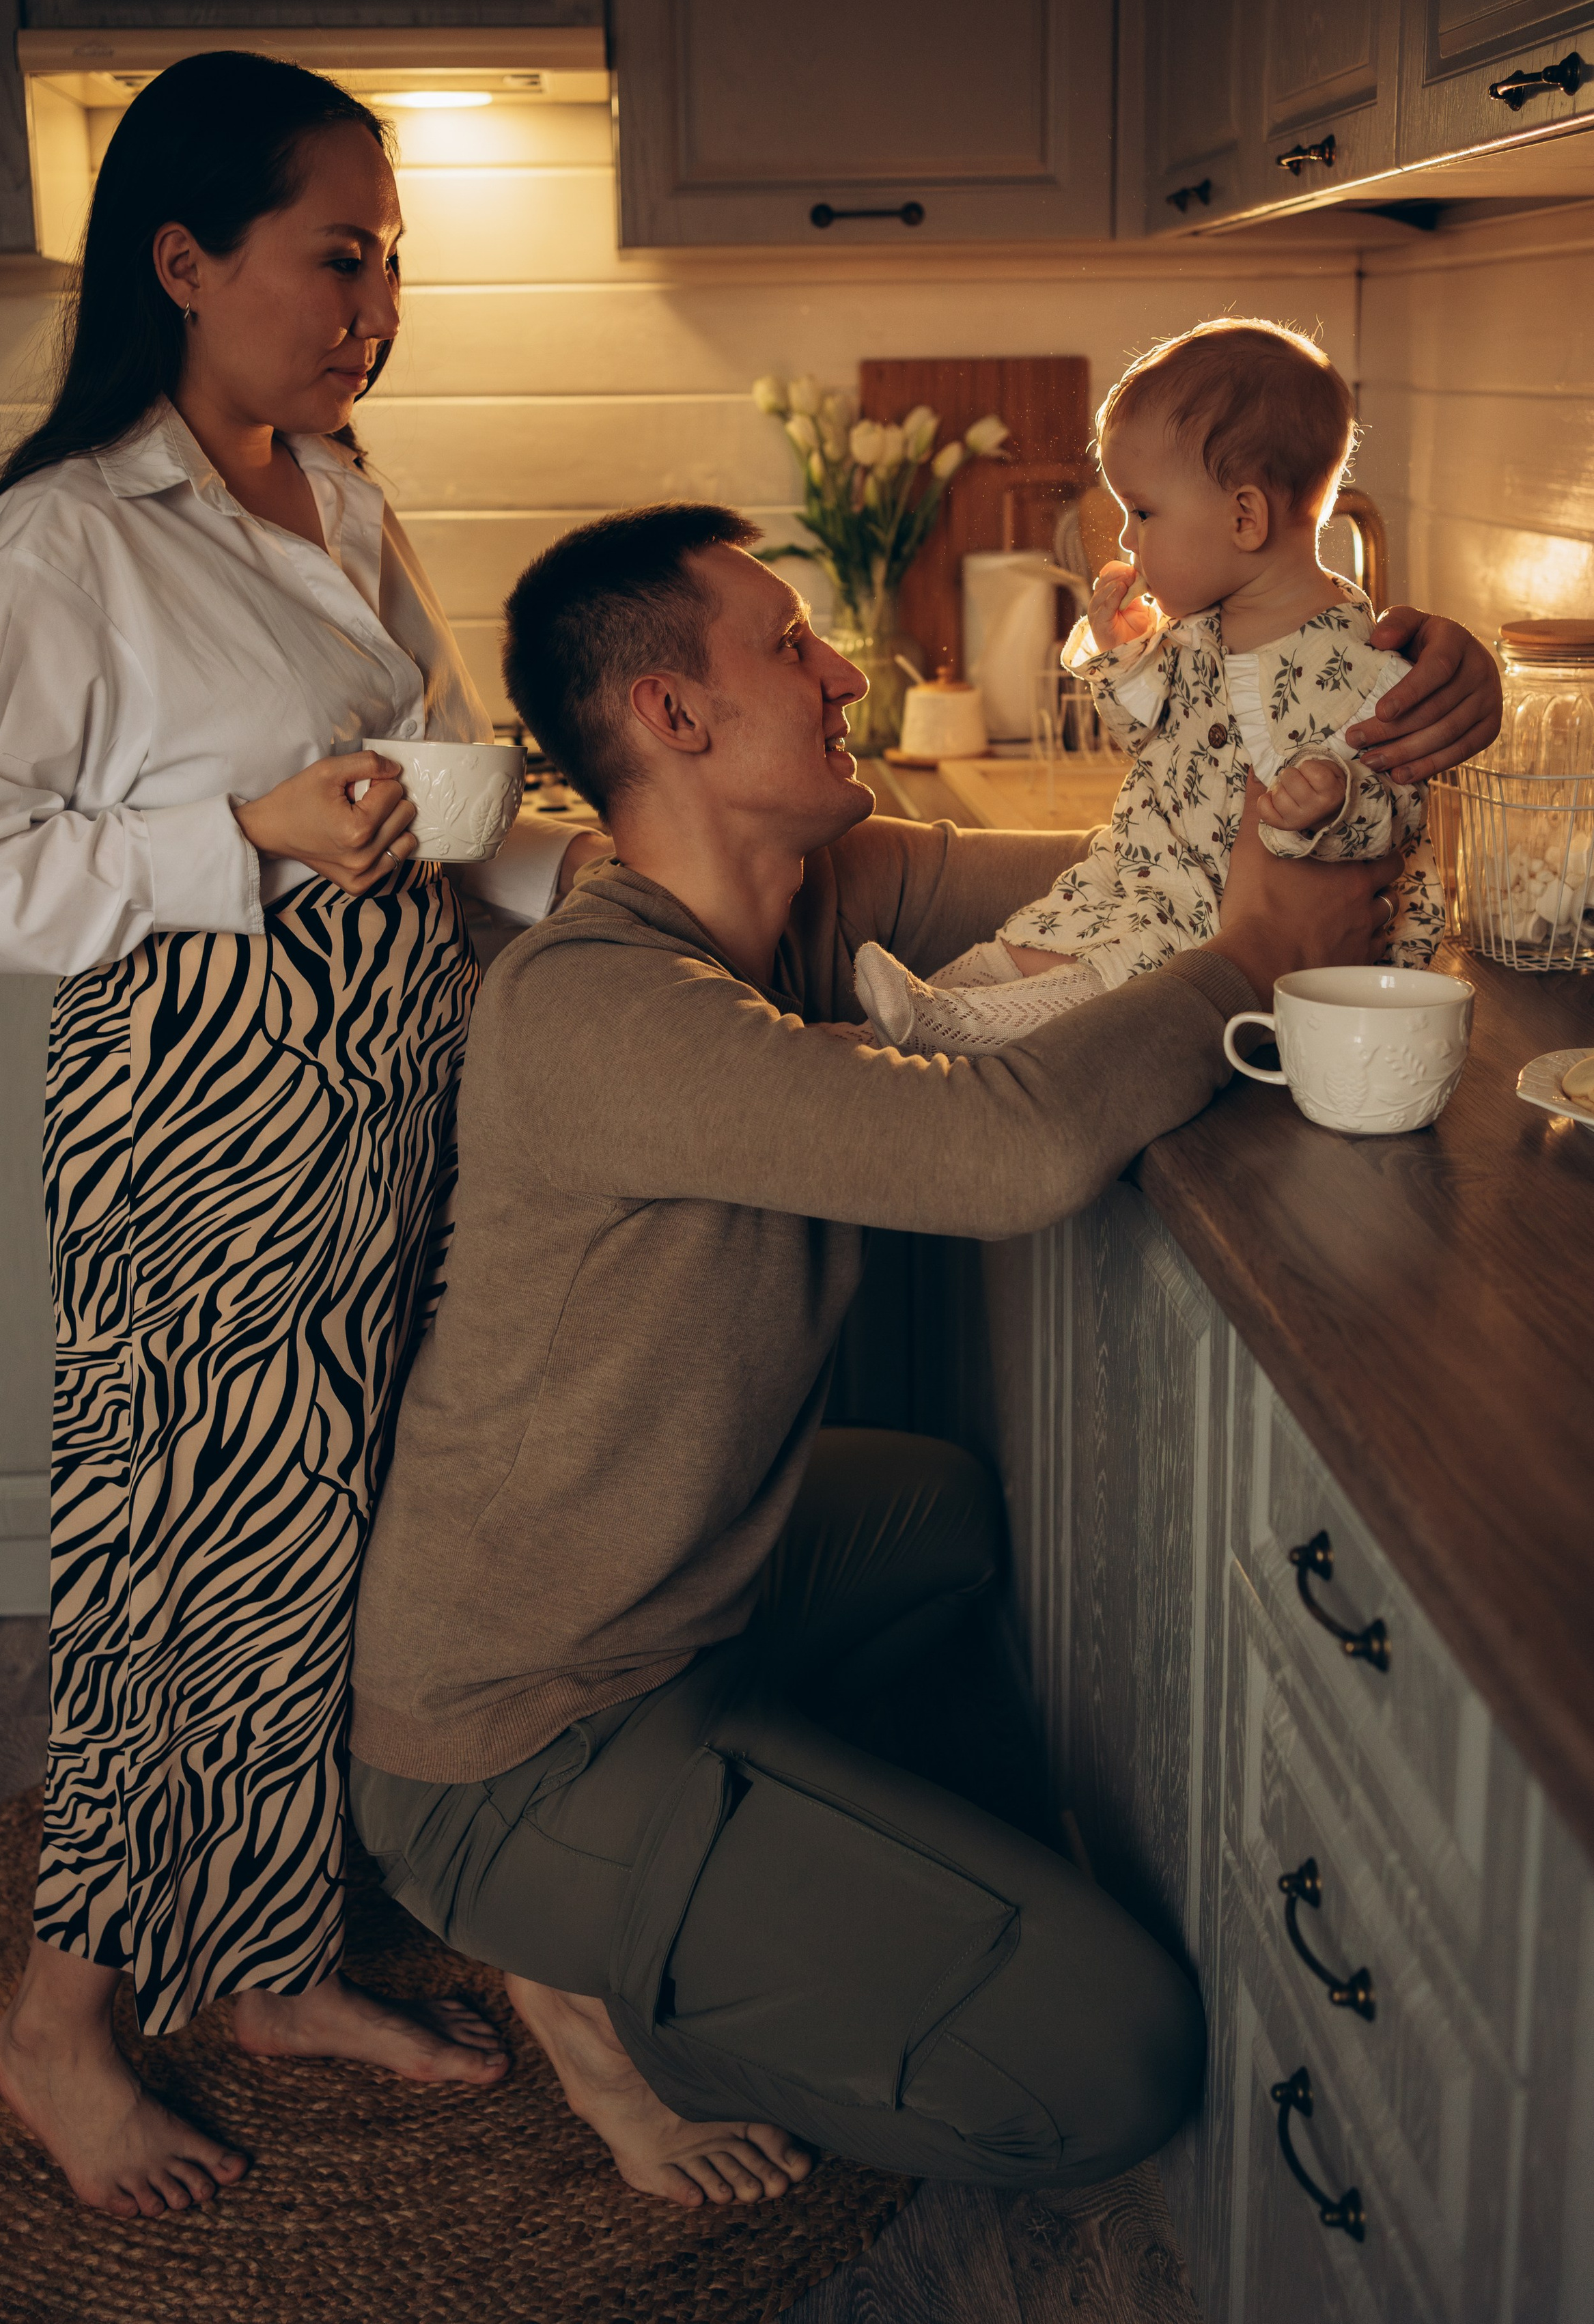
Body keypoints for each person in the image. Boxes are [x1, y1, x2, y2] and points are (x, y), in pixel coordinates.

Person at [347, 502, 1500, 2209]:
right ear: (672, 715)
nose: (841, 672)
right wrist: (1253, 960)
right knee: (1111, 2062)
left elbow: (1148, 877)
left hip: (670, 1612)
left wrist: (1379, 696)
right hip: (513, 1743)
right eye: (788, 645)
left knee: (938, 1514)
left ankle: (728, 1856)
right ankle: (603, 1998)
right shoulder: (591, 1003)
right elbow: (997, 1152)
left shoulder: (810, 903)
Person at [0, 52, 605, 2220]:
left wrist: (630, 882)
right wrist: (245, 832)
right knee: (171, 1574)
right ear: (186, 262)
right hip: (199, 1115)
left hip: (376, 1097)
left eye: (392, 261)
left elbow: (443, 799)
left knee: (321, 1551)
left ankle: (270, 1966)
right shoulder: (70, 534)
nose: (378, 305)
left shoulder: (339, 493)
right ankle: (54, 2021)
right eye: (340, 256)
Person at [855, 322, 1446, 1054]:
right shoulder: (1194, 628)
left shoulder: (1360, 663)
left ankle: (942, 1028)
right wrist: (1126, 657)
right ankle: (891, 1032)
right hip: (1145, 875)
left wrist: (1335, 800)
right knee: (1031, 941)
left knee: (1102, 988)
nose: (1127, 540)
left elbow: (1397, 823)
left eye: (1141, 512)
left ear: (1245, 517)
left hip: (1233, 931)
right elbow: (1148, 737)